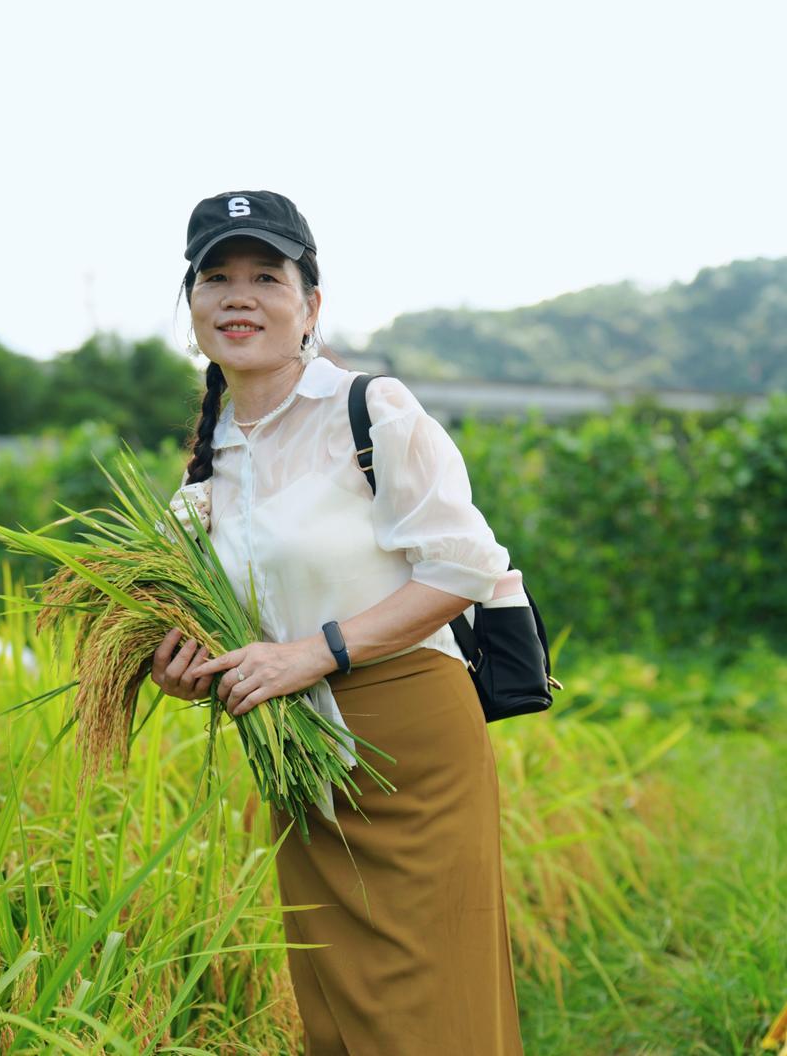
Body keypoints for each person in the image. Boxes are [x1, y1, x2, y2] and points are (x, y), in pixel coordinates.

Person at [148, 189, 525, 1055]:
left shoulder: (370, 410)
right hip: (301, 755)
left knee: (430, 1007)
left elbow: (465, 566)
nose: (239, 295)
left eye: (265, 276)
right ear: (193, 307)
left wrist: (309, 656)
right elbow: (239, 635)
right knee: (340, 1009)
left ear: (310, 304)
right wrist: (188, 675)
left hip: (410, 741)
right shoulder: (207, 471)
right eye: (217, 277)